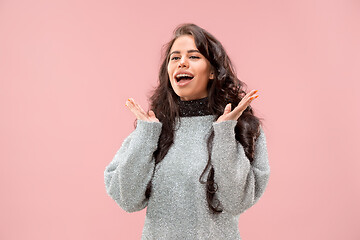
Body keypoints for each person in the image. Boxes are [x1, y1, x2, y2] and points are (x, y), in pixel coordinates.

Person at [104, 23, 270, 240]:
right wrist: (146, 135)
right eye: (175, 58)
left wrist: (224, 133)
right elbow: (128, 200)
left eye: (193, 56)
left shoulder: (239, 128)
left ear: (212, 71)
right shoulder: (152, 129)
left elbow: (236, 201)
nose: (182, 63)